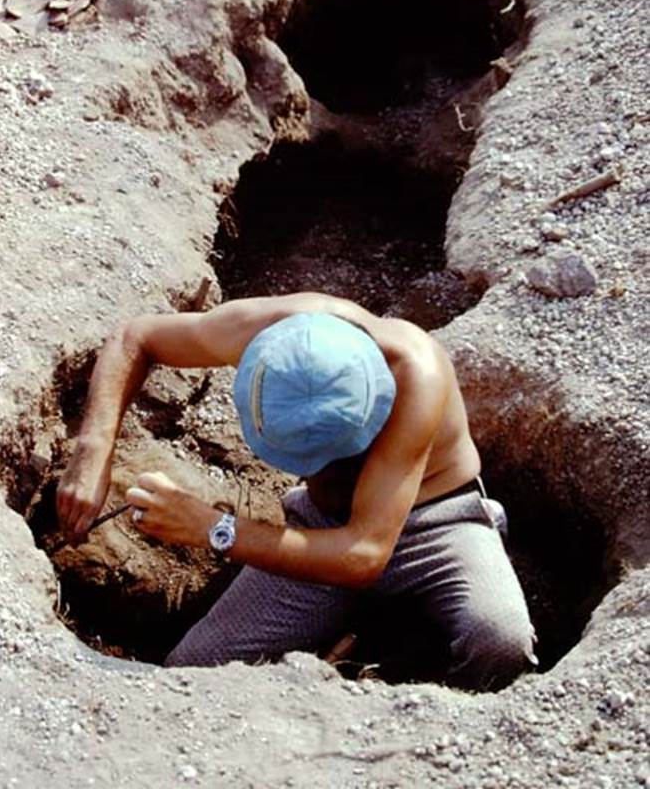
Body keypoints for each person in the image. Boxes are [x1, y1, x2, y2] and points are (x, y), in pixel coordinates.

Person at [57, 291, 537, 689]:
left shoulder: (416, 375)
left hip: (436, 523)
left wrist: (215, 529)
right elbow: (137, 335)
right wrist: (92, 453)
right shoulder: (275, 334)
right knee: (191, 674)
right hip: (323, 527)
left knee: (499, 641)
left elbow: (364, 553)